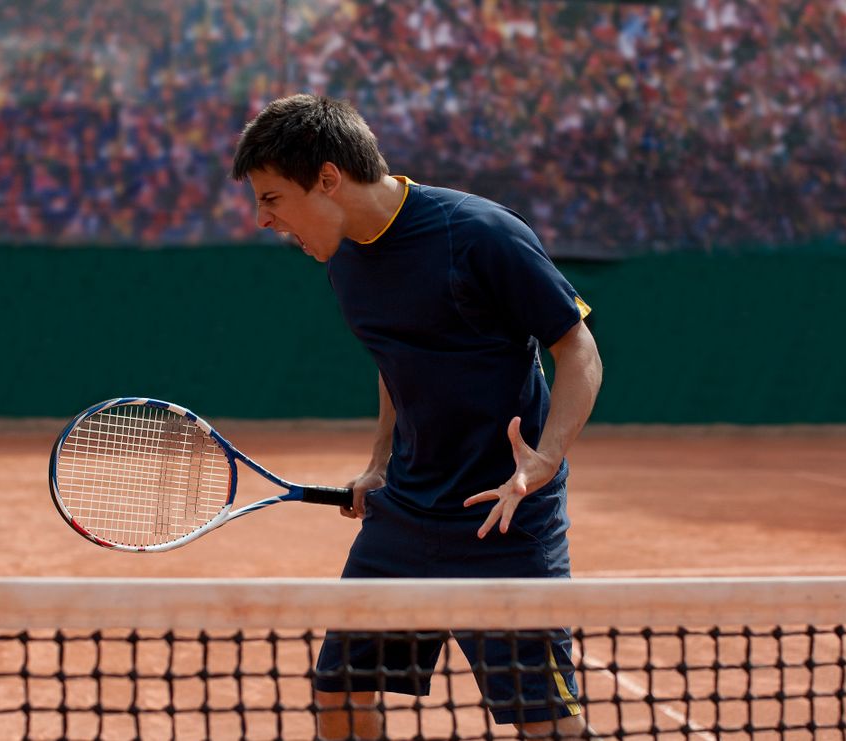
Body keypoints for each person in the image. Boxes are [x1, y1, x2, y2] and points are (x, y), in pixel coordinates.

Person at [231, 94, 602, 740]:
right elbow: (394, 355)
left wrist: (543, 458)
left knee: (547, 725)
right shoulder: (344, 261)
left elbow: (578, 347)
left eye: (271, 197)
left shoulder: (480, 234)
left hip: (501, 519)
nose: (262, 218)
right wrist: (379, 463)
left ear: (327, 178)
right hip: (403, 515)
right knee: (340, 694)